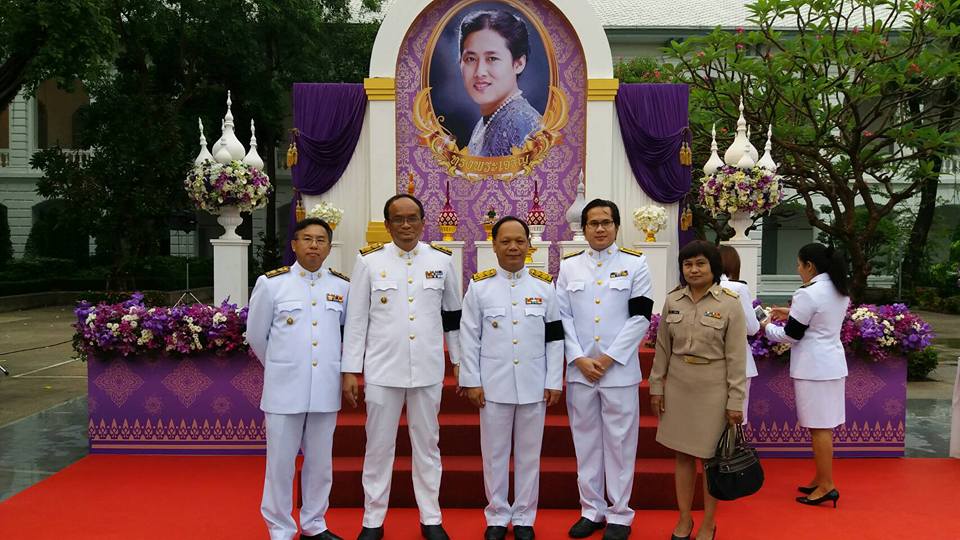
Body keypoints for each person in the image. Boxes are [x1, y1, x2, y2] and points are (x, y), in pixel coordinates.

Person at [341, 194, 463, 540]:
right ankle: (372, 521)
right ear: (388, 224)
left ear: (423, 222)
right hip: (382, 369)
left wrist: (459, 361)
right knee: (378, 447)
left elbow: (453, 317)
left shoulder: (441, 260)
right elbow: (356, 319)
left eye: (412, 218)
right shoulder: (368, 262)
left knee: (428, 446)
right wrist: (350, 369)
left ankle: (431, 518)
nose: (406, 225)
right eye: (398, 219)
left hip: (427, 368)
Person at [459, 216, 564, 540]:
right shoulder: (480, 286)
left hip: (534, 383)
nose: (513, 247)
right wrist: (471, 380)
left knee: (530, 455)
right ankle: (496, 515)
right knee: (494, 454)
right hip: (493, 385)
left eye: (519, 241)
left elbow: (555, 337)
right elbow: (469, 337)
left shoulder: (544, 286)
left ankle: (523, 518)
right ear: (494, 246)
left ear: (529, 245)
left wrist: (553, 380)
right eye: (505, 241)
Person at [247, 217, 350, 540]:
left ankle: (314, 524)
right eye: (307, 239)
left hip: (325, 388)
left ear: (329, 247)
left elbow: (348, 334)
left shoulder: (342, 287)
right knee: (280, 464)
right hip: (284, 389)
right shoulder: (272, 284)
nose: (314, 246)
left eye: (321, 240)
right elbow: (256, 335)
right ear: (294, 244)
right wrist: (282, 366)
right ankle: (280, 528)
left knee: (320, 463)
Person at [556, 199, 653, 540]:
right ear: (583, 229)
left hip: (618, 372)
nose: (600, 228)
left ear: (616, 226)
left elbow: (640, 317)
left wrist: (609, 358)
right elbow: (561, 317)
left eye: (606, 222)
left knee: (620, 443)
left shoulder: (635, 264)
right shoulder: (569, 267)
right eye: (593, 223)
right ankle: (591, 510)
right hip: (581, 371)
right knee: (585, 442)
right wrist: (578, 358)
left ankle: (620, 514)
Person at [649, 240, 747, 540]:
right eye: (688, 264)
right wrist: (657, 386)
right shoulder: (673, 300)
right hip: (679, 385)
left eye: (700, 263)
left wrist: (735, 400)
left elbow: (736, 357)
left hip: (713, 388)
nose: (693, 269)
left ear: (713, 267)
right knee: (682, 456)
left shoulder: (729, 303)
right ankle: (684, 519)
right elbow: (662, 348)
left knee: (710, 460)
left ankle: (708, 522)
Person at [761, 243, 850, 508]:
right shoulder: (839, 289)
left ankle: (826, 485)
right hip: (832, 363)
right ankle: (821, 478)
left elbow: (791, 335)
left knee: (819, 428)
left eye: (799, 264)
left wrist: (766, 327)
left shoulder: (807, 293)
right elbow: (821, 318)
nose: (798, 269)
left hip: (813, 368)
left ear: (810, 266)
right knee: (823, 426)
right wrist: (790, 312)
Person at [458, 9, 543, 157]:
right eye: (471, 59)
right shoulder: (486, 121)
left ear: (518, 64)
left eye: (492, 58)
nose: (479, 72)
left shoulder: (520, 123)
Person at [717, 245, 761, 424]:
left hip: (708, 362)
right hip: (738, 361)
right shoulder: (738, 288)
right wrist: (762, 322)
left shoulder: (700, 287)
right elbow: (751, 328)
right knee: (736, 420)